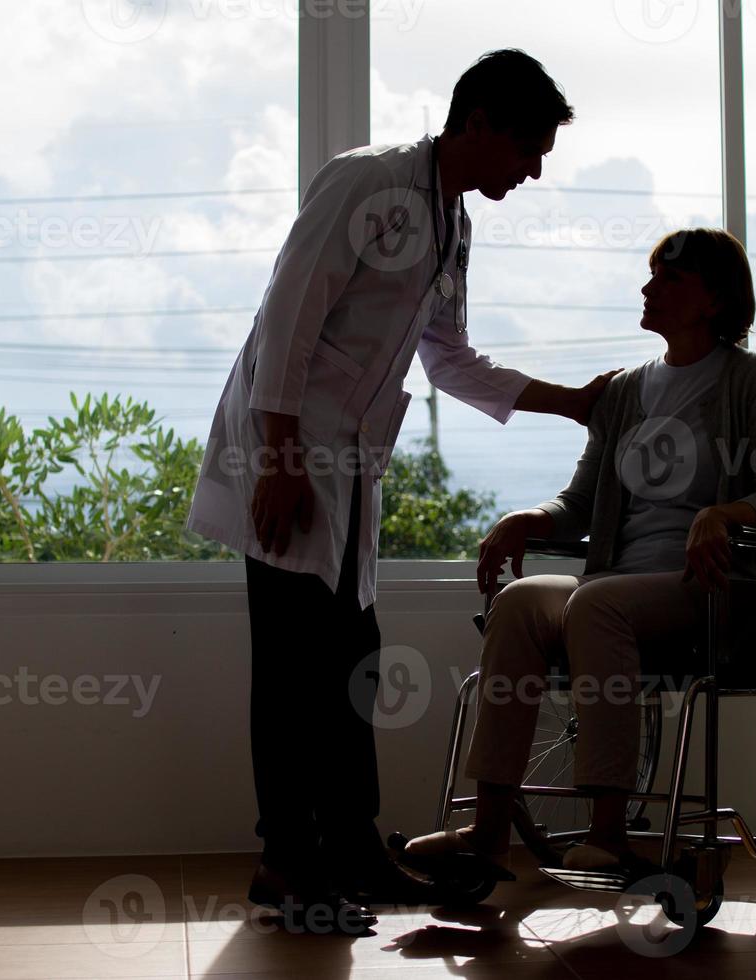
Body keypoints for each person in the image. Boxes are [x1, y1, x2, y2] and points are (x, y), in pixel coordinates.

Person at [185, 49, 616, 933]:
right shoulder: (363, 184)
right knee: (296, 661)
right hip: (288, 451)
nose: (532, 171)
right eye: (527, 148)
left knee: (351, 659)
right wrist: (277, 459)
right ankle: (286, 860)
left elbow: (450, 358)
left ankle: (350, 847)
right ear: (478, 121)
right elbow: (288, 319)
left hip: (346, 465)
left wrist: (569, 402)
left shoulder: (455, 224)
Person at [403, 228, 756, 877]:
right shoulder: (623, 391)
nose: (648, 288)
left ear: (712, 299)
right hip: (617, 582)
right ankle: (488, 830)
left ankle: (611, 830)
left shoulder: (754, 382)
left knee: (596, 606)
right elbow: (581, 502)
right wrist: (529, 519)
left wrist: (722, 514)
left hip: (709, 589)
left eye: (668, 279)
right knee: (519, 602)